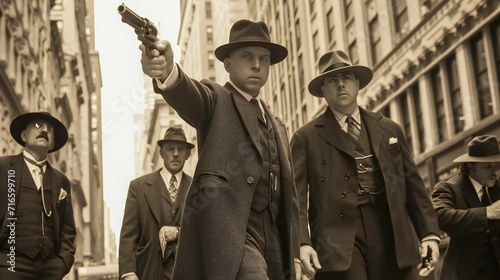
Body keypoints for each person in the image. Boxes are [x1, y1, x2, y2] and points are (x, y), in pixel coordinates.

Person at [139, 19, 301, 279]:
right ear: (227, 64)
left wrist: (297, 250)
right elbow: (188, 93)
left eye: (264, 59)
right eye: (247, 56)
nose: (257, 64)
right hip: (235, 234)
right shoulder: (216, 100)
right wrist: (167, 70)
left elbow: (290, 200)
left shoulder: (278, 126)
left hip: (276, 237)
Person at [290, 50, 440, 280]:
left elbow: (414, 185)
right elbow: (296, 199)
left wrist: (429, 233)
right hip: (337, 238)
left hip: (389, 226)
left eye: (347, 78)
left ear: (357, 83)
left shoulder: (390, 129)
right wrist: (302, 242)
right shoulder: (305, 138)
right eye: (332, 80)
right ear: (322, 90)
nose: (341, 85)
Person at [0, 112, 76, 279]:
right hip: (9, 264)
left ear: (53, 143)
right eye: (37, 126)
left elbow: (68, 231)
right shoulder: (4, 168)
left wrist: (62, 263)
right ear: (24, 135)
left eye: (50, 129)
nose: (44, 130)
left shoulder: (61, 180)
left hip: (49, 268)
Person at [119, 127, 194, 280]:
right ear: (161, 153)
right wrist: (129, 273)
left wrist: (179, 232)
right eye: (170, 149)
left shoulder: (197, 188)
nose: (175, 153)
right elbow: (128, 236)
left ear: (187, 154)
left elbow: (204, 232)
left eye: (180, 149)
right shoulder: (138, 187)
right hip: (149, 272)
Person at [432, 135, 500, 280]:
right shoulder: (448, 188)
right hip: (464, 274)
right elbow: (438, 216)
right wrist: (487, 212)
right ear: (470, 166)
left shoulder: (498, 186)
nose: (495, 172)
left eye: (497, 166)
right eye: (488, 166)